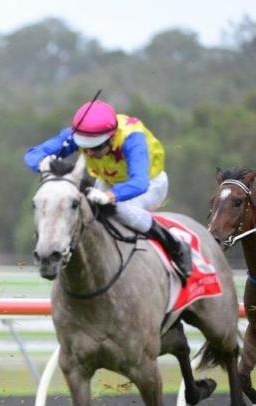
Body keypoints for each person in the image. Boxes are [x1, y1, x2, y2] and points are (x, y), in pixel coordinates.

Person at [24, 99, 192, 284]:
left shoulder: (132, 139)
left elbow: (139, 183)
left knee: (121, 209)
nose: (90, 153)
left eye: (96, 147)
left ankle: (175, 245)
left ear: (111, 138)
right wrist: (42, 163)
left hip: (150, 184)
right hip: (108, 181)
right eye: (85, 146)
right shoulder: (80, 132)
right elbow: (33, 153)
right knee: (87, 213)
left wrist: (109, 196)